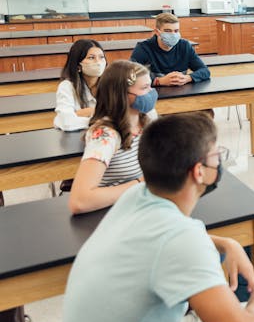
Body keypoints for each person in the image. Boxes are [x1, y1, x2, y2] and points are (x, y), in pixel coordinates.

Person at [63, 113, 254, 322]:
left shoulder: (136, 195)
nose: (219, 162)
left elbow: (157, 240)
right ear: (199, 171)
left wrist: (226, 243)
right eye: (216, 155)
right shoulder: (181, 240)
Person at [68, 60, 157, 215]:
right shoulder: (106, 135)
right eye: (144, 88)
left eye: (150, 86)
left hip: (141, 205)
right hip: (112, 214)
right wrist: (139, 184)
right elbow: (79, 201)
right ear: (123, 95)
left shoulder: (146, 120)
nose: (151, 92)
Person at [131, 12, 210, 87]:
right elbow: (129, 75)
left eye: (176, 31)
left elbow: (204, 71)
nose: (173, 34)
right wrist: (159, 81)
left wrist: (188, 78)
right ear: (157, 32)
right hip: (153, 93)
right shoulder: (143, 48)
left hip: (182, 92)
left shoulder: (184, 46)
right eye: (168, 31)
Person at [54, 39, 107, 131]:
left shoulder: (110, 84)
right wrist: (96, 115)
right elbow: (66, 122)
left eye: (101, 57)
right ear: (78, 65)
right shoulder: (66, 86)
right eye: (91, 57)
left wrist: (79, 114)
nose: (98, 62)